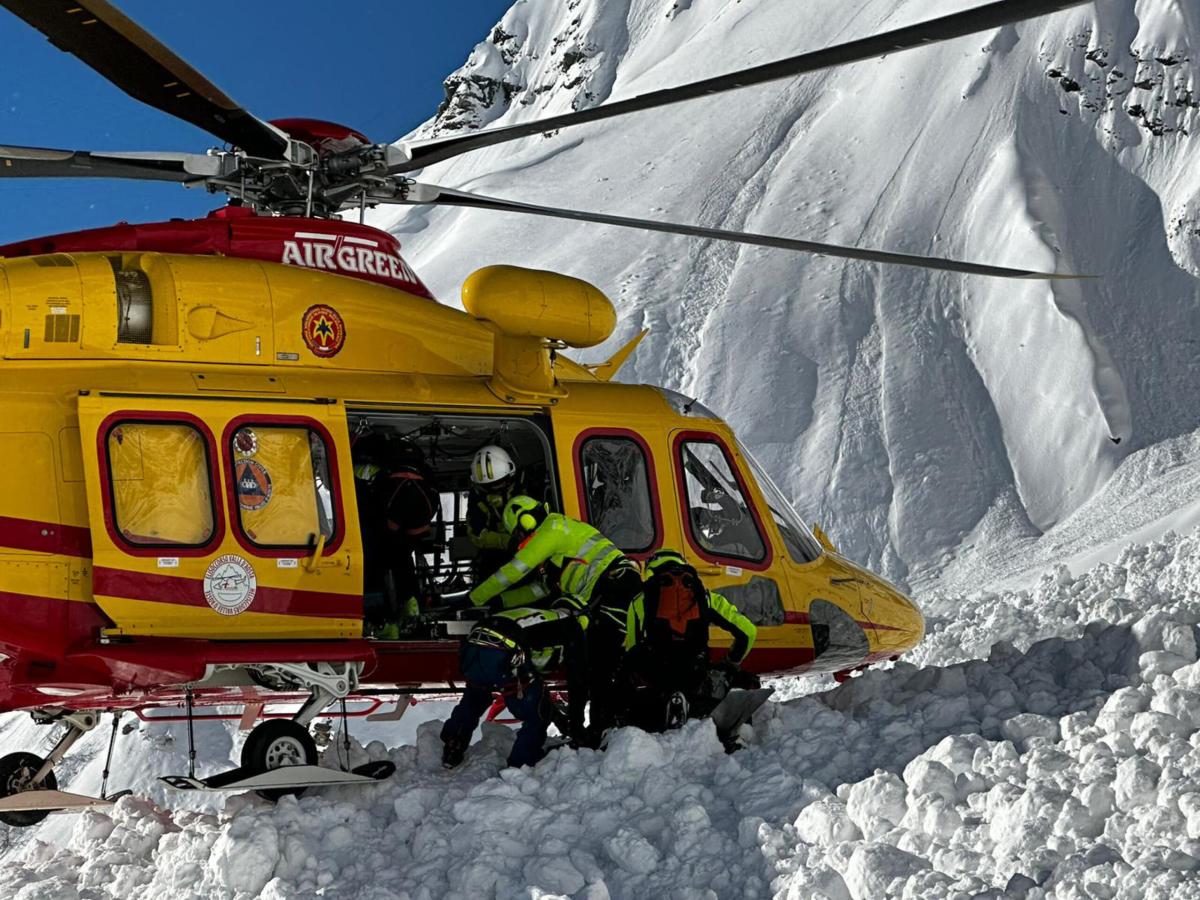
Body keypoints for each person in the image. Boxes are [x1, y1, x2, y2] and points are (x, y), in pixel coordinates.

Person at [469, 496, 642, 741]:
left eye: (519, 534)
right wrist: (499, 602)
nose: (521, 542)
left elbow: (516, 569)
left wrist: (475, 598)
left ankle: (603, 728)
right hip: (604, 595)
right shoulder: (554, 550)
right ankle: (592, 728)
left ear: (525, 521)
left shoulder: (552, 528)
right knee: (592, 663)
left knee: (602, 662)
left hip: (615, 587)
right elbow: (541, 590)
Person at [620, 549, 758, 731]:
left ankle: (654, 708)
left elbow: (632, 646)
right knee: (726, 675)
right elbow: (748, 632)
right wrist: (731, 662)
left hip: (657, 670)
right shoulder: (706, 597)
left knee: (629, 664)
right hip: (695, 668)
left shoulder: (639, 600)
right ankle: (698, 706)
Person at [441, 605, 588, 769]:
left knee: (475, 698)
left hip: (473, 646)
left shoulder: (542, 615)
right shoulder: (574, 629)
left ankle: (452, 746)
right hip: (504, 649)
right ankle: (520, 764)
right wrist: (576, 727)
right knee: (536, 713)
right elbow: (577, 683)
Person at [353, 433, 440, 639]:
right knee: (402, 560)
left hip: (385, 523)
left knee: (374, 567)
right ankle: (412, 606)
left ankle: (380, 621)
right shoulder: (420, 471)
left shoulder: (366, 469)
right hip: (416, 521)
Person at [466, 444, 520, 578]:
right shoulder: (477, 499)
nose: (496, 487)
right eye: (489, 485)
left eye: (499, 482)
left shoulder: (524, 486)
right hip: (497, 555)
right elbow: (477, 535)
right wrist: (508, 542)